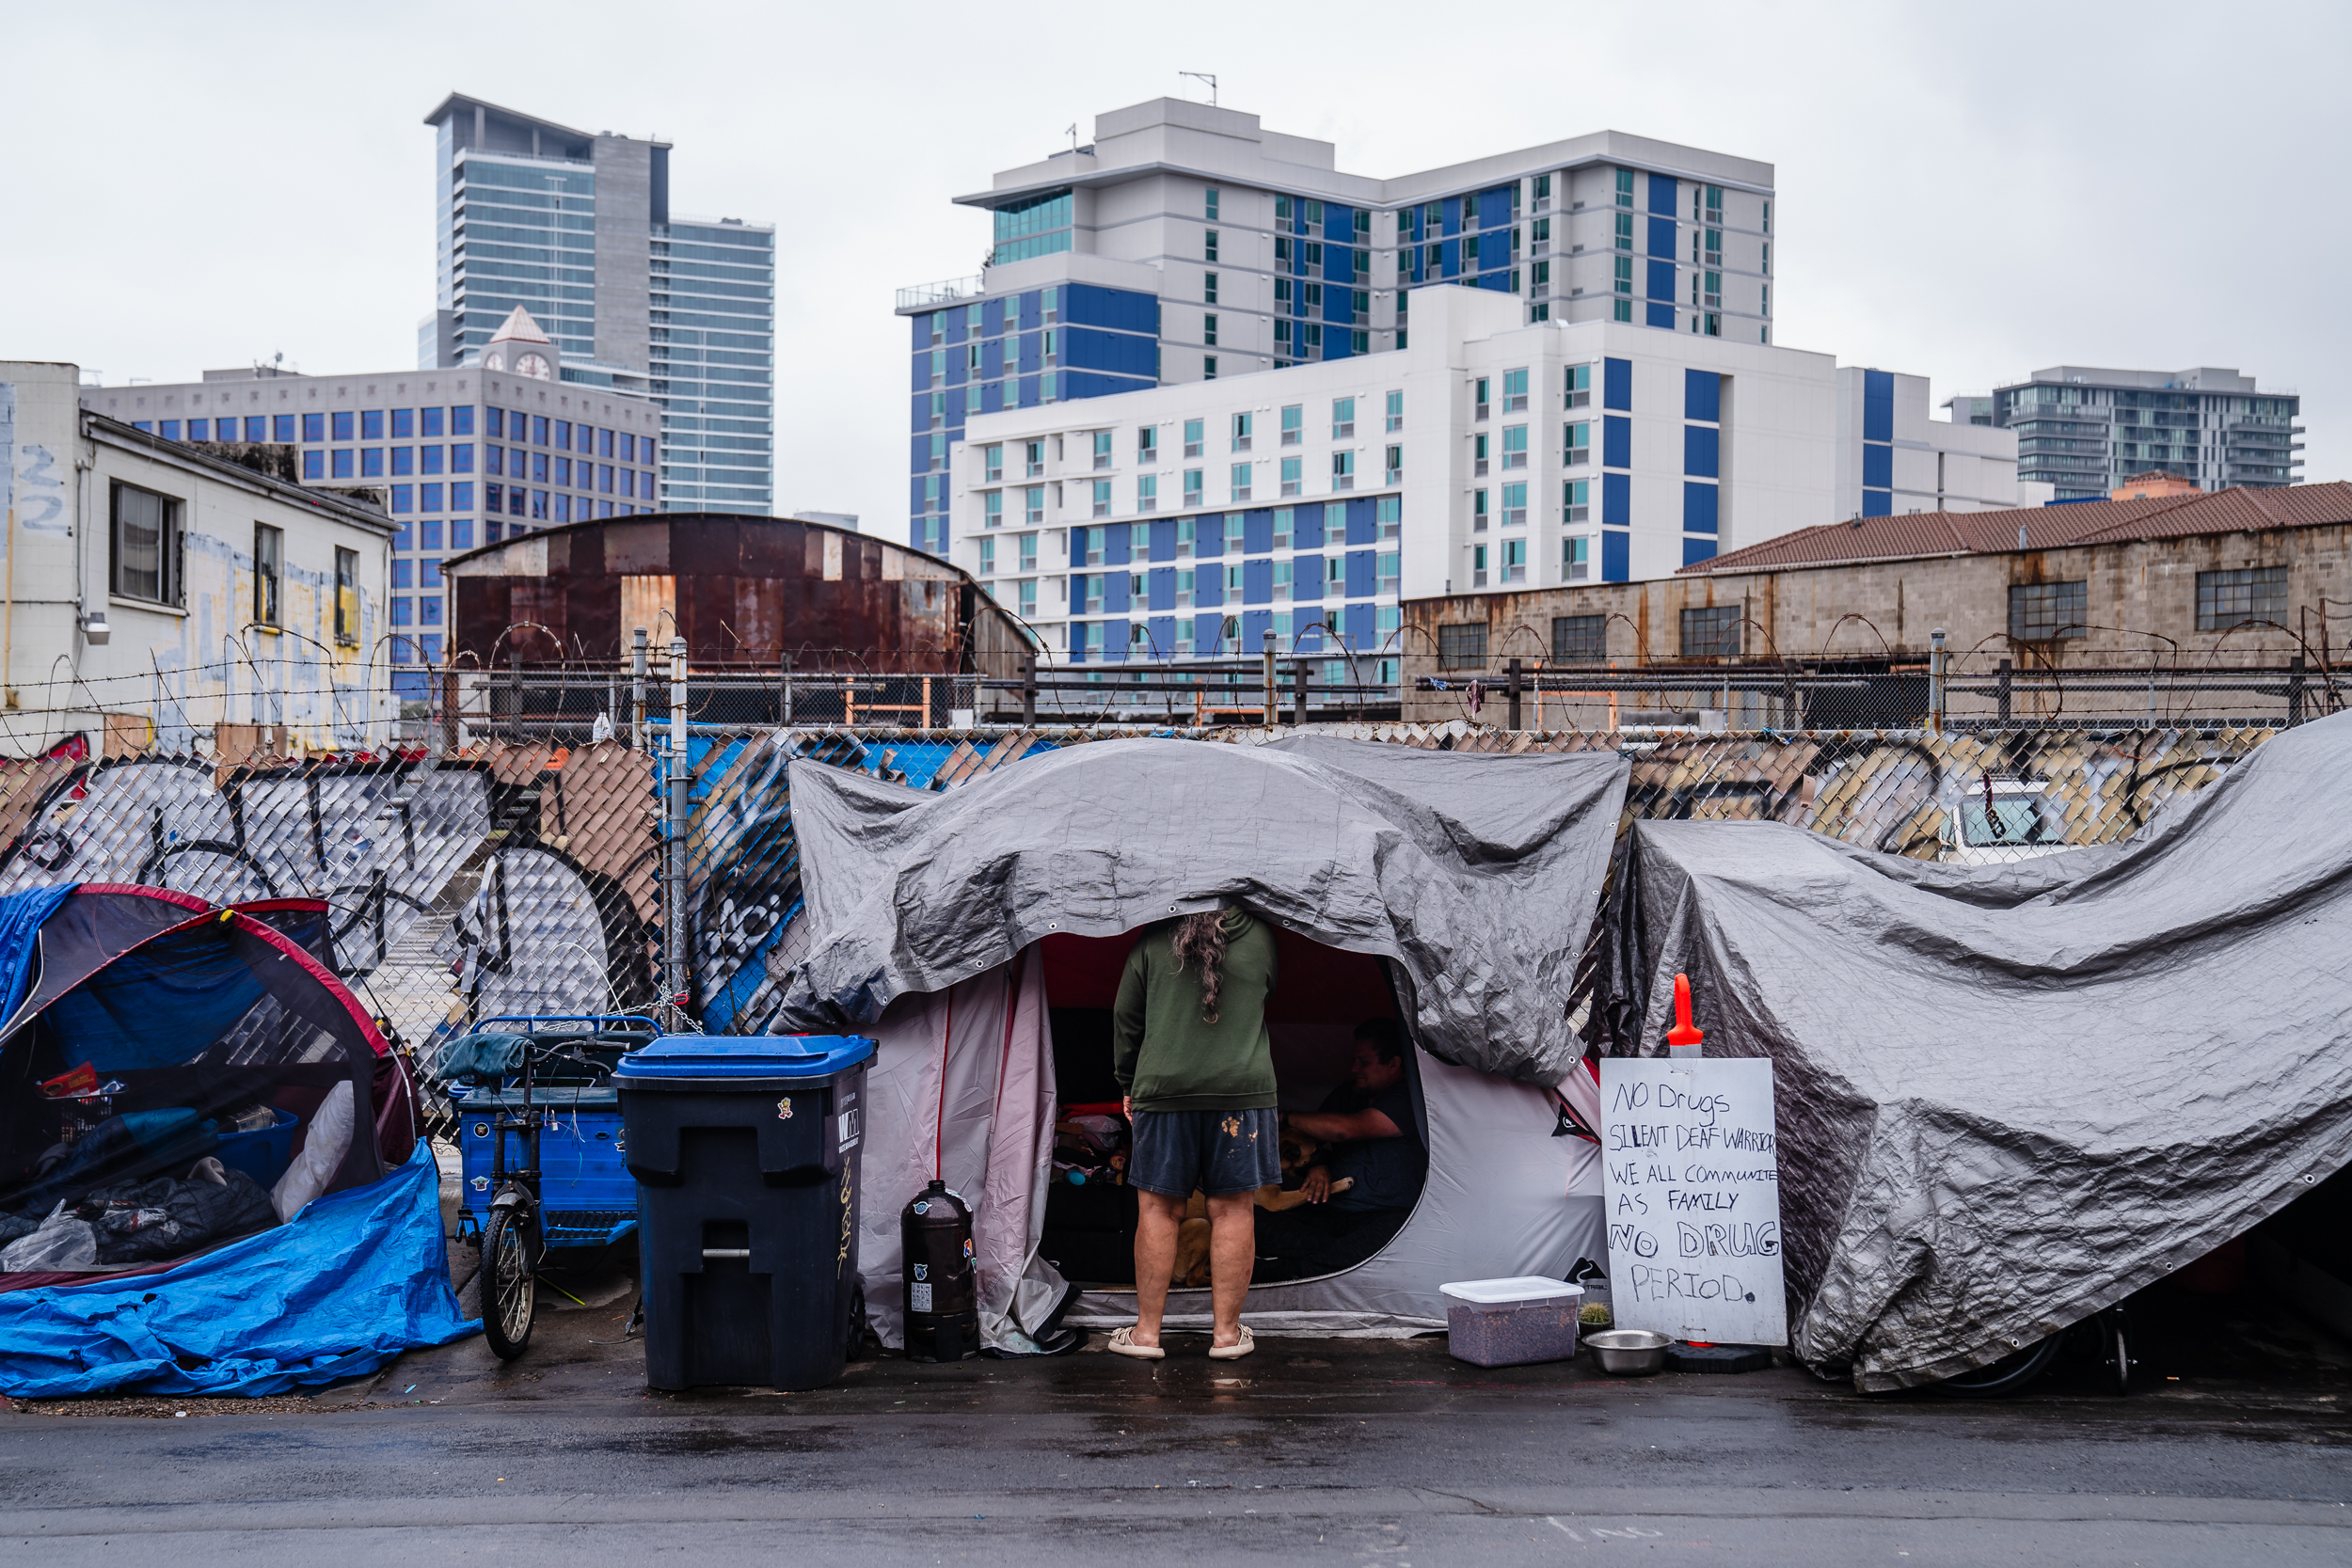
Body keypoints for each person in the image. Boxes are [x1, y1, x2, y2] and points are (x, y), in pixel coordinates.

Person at [1107, 903, 1279, 1362]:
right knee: (1234, 1210)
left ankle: (1146, 1335)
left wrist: (1129, 1082)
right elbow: (1268, 991)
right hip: (1242, 1093)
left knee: (1159, 1210)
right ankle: (1226, 1337)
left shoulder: (1151, 938)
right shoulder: (1260, 935)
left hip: (1164, 1091)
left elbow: (1127, 1017)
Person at [1256, 1019, 1425, 1280]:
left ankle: (1285, 1271)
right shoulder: (1348, 1092)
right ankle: (1335, 1261)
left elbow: (1346, 1129)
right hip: (1331, 1211)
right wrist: (1318, 1165)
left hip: (1386, 1217)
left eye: (1364, 1062)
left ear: (1394, 1064)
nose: (1354, 1068)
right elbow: (1310, 1139)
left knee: (1387, 1242)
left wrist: (1283, 1117)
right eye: (1354, 1060)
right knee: (1250, 1218)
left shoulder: (1409, 1099)